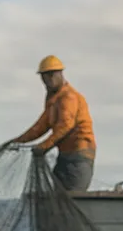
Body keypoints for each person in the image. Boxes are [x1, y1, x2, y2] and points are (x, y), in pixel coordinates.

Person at [11, 56, 96, 192]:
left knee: (72, 199)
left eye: (51, 75)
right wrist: (19, 140)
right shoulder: (53, 99)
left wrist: (44, 146)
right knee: (57, 196)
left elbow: (66, 126)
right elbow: (41, 125)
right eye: (44, 77)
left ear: (60, 74)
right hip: (64, 156)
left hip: (79, 155)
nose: (47, 80)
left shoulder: (68, 97)